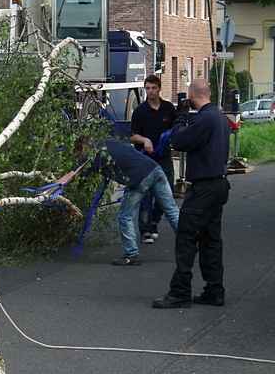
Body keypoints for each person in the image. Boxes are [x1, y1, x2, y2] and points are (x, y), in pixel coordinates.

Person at [153, 80, 231, 309]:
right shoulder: (219, 117)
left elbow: (179, 141)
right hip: (219, 184)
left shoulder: (204, 119)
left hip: (203, 187)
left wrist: (180, 119)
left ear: (192, 96)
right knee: (210, 240)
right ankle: (214, 290)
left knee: (186, 237)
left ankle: (180, 292)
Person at [58, 136, 180, 265]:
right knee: (171, 210)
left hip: (139, 179)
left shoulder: (97, 156)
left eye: (79, 153)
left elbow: (75, 173)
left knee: (125, 216)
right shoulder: (109, 143)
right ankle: (190, 241)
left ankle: (131, 254)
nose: (79, 157)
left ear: (84, 147)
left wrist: (57, 184)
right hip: (155, 169)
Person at [130, 74, 176, 244]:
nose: (150, 92)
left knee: (167, 194)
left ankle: (154, 221)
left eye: (153, 88)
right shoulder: (140, 111)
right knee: (146, 195)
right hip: (145, 160)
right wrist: (144, 140)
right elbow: (133, 136)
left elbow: (176, 129)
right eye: (147, 88)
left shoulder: (169, 109)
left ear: (159, 88)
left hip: (164, 158)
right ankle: (145, 230)